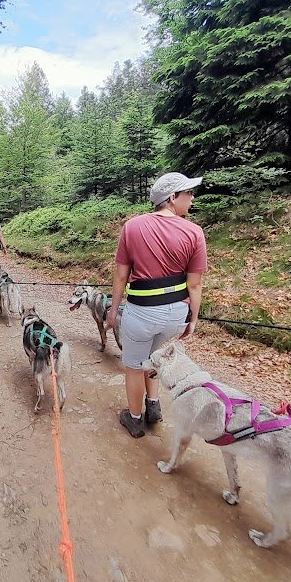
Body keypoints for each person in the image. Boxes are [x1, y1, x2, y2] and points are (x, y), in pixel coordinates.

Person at [106, 172, 207, 438]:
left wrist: (114, 310)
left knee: (134, 365)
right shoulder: (194, 232)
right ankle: (154, 407)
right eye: (188, 193)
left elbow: (121, 275)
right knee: (155, 357)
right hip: (176, 314)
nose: (192, 199)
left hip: (141, 313)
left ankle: (135, 419)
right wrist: (193, 319)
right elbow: (194, 285)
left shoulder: (132, 226)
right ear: (172, 198)